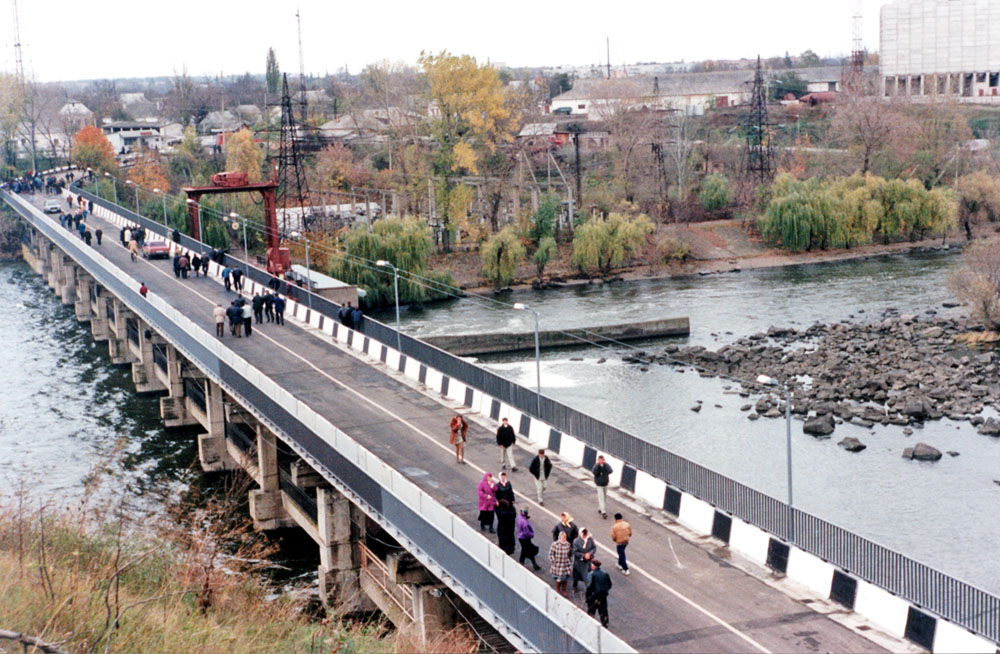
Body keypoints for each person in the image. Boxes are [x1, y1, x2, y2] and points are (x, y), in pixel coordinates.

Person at [585, 560, 612, 627]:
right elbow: (609, 584)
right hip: (603, 595)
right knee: (603, 611)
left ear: (594, 566)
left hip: (594, 596)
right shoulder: (605, 573)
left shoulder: (591, 574)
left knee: (591, 611)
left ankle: (589, 624)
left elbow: (589, 587)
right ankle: (605, 624)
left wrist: (588, 597)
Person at [571, 528, 597, 593]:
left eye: (586, 535)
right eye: (584, 535)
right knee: (576, 574)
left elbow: (594, 547)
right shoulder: (576, 541)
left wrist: (589, 554)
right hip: (579, 561)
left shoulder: (590, 539)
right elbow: (575, 551)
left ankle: (588, 587)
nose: (585, 536)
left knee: (587, 574)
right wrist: (584, 555)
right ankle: (574, 586)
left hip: (588, 561)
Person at [548, 531, 572, 598]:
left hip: (565, 565)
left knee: (565, 578)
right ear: (560, 537)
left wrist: (569, 561)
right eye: (562, 537)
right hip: (557, 565)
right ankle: (558, 589)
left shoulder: (568, 544)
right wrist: (553, 560)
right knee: (558, 579)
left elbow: (570, 555)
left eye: (565, 538)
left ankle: (564, 590)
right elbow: (550, 554)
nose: (563, 539)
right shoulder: (555, 544)